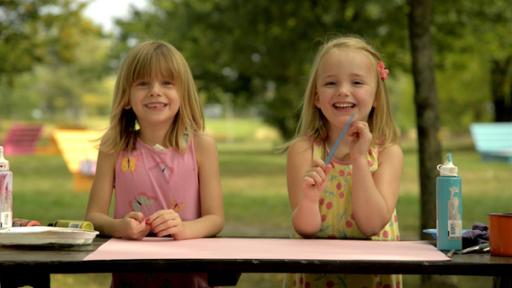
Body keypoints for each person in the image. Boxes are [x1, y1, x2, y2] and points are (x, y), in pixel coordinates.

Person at [85, 40, 224, 288]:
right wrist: (120, 227)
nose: (155, 91)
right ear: (126, 97)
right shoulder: (113, 147)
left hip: (189, 275)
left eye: (167, 83)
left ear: (183, 93)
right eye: (143, 84)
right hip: (130, 274)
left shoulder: (202, 146)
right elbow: (94, 217)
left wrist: (184, 229)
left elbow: (215, 218)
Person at [284, 35, 403, 288]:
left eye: (357, 82)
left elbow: (371, 223)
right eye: (330, 83)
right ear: (316, 98)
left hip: (373, 278)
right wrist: (309, 200)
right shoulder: (303, 151)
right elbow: (306, 229)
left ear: (377, 97)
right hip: (316, 277)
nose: (343, 91)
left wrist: (360, 159)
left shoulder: (387, 154)